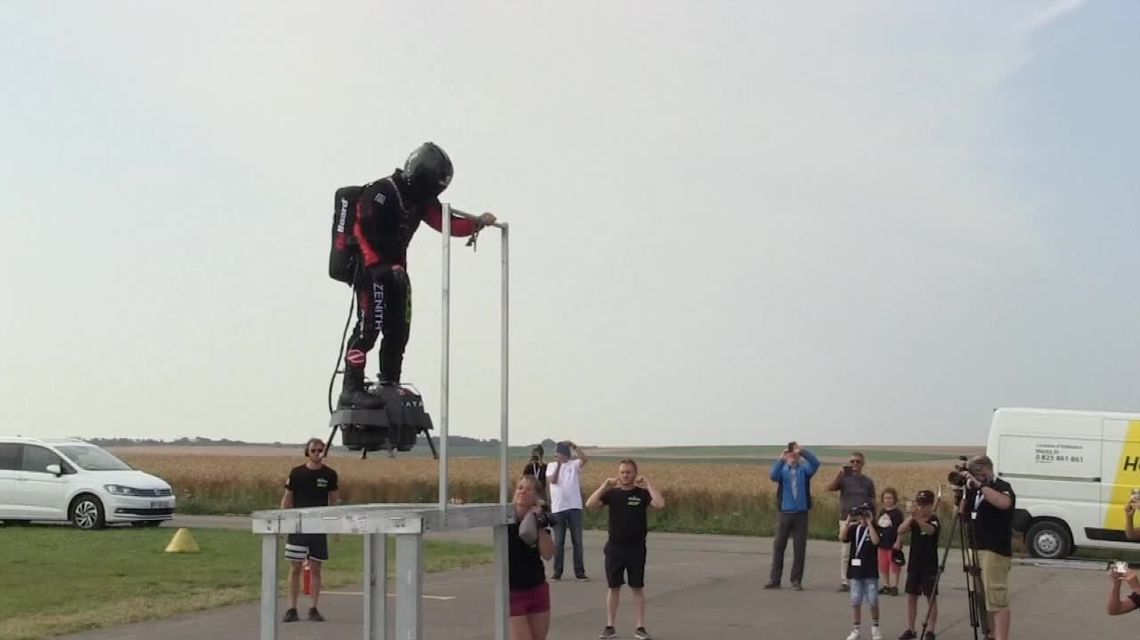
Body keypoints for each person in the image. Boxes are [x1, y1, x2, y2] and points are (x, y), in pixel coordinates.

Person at [336, 141, 498, 409]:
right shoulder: (381, 191)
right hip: (371, 271)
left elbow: (444, 223)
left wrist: (477, 223)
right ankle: (351, 388)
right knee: (368, 328)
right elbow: (361, 229)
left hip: (398, 274)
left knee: (398, 330)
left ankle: (389, 383)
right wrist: (378, 266)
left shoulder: (421, 201)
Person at [585, 458, 666, 640]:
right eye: (622, 472)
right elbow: (590, 504)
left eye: (628, 472)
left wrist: (649, 484)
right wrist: (604, 486)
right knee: (614, 587)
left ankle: (640, 627)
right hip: (615, 547)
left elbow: (660, 504)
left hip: (636, 548)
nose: (625, 475)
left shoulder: (642, 494)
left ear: (635, 474)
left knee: (637, 587)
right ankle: (610, 626)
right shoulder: (612, 494)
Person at [280, 437, 339, 622]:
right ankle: (292, 608)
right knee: (295, 567)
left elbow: (334, 501)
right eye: (313, 450)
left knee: (315, 568)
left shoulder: (330, 474)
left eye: (320, 450)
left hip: (319, 526)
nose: (317, 454)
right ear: (307, 452)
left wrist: (335, 527)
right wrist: (284, 522)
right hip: (298, 526)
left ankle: (313, 607)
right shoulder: (297, 473)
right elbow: (287, 497)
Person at [958, 455, 1015, 640]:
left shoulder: (1002, 486)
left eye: (978, 474)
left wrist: (981, 486)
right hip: (974, 546)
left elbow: (1004, 503)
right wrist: (961, 493)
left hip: (994, 549)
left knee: (996, 598)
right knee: (981, 597)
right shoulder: (972, 490)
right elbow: (959, 514)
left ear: (986, 469)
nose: (977, 478)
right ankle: (989, 634)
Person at [765, 441, 820, 590]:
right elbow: (772, 476)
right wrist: (781, 459)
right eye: (790, 454)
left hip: (801, 515)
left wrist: (802, 451)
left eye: (794, 454)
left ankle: (796, 579)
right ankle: (775, 579)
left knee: (799, 548)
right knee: (779, 546)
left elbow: (815, 463)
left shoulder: (804, 471)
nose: (793, 456)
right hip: (784, 513)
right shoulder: (782, 471)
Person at [509, 475, 555, 640]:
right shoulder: (506, 519)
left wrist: (540, 523)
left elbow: (548, 554)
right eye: (520, 488)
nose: (522, 492)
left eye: (528, 489)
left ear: (537, 496)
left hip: (537, 587)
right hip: (513, 591)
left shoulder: (538, 520)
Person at [893, 489, 941, 640]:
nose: (922, 508)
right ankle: (911, 628)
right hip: (915, 563)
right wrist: (911, 518)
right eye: (920, 504)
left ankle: (931, 630)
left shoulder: (934, 520)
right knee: (911, 597)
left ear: (931, 505)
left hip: (929, 565)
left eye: (925, 505)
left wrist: (919, 520)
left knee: (930, 597)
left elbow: (930, 531)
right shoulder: (913, 520)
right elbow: (900, 530)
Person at [828, 451, 877, 592]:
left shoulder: (867, 482)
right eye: (852, 462)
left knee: (862, 550)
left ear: (863, 464)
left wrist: (873, 518)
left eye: (858, 462)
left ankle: (861, 577)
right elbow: (830, 488)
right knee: (846, 550)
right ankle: (845, 581)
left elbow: (872, 500)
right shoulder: (844, 479)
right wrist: (839, 476)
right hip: (847, 518)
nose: (855, 464)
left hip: (863, 520)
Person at [547, 440, 589, 581]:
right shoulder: (551, 466)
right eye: (557, 454)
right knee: (559, 542)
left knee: (577, 541)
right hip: (558, 508)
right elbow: (553, 480)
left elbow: (584, 459)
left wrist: (574, 446)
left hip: (574, 507)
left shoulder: (574, 464)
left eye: (561, 454)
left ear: (566, 454)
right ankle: (557, 572)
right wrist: (559, 465)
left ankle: (580, 572)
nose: (559, 456)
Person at [841, 503, 883, 640]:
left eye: (865, 516)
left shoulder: (875, 528)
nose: (862, 519)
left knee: (873, 600)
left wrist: (870, 523)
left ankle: (875, 627)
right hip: (856, 570)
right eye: (861, 516)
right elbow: (842, 537)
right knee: (855, 600)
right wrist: (848, 521)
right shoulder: (855, 529)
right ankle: (856, 629)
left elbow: (876, 541)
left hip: (870, 570)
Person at [876, 488, 904, 596]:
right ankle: (886, 585)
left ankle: (894, 585)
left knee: (894, 564)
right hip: (882, 542)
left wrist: (898, 542)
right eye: (885, 498)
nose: (887, 500)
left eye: (890, 498)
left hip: (893, 542)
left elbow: (901, 529)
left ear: (894, 499)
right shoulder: (882, 512)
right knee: (883, 565)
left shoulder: (897, 513)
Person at [521, 445, 549, 510]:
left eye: (537, 456)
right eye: (534, 456)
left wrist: (540, 463)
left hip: (541, 494)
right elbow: (524, 478)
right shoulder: (529, 467)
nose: (535, 458)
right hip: (530, 493)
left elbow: (545, 479)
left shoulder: (544, 467)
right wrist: (530, 462)